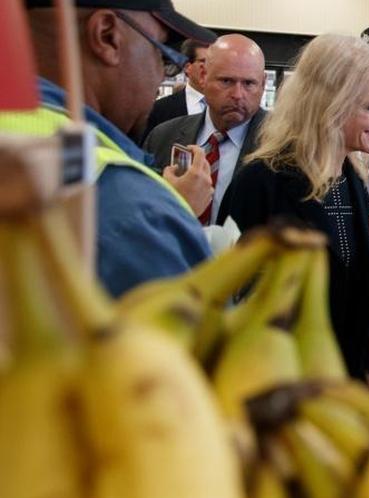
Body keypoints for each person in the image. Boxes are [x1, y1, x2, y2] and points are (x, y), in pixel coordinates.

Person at [221, 34, 369, 392]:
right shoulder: (261, 181)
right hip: (279, 385)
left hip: (342, 378)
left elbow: (365, 291)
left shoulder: (351, 178)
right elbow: (231, 293)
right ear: (330, 105)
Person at [4, 0, 215, 298]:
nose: (160, 77)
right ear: (107, 36)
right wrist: (172, 209)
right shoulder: (129, 206)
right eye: (161, 55)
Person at [144, 34, 267, 228]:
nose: (238, 94)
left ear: (263, 83)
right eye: (226, 81)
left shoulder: (286, 145)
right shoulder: (162, 137)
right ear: (203, 76)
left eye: (249, 83)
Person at [141, 37, 207, 140]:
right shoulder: (160, 109)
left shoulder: (228, 107)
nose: (211, 67)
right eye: (204, 62)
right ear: (187, 67)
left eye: (214, 62)